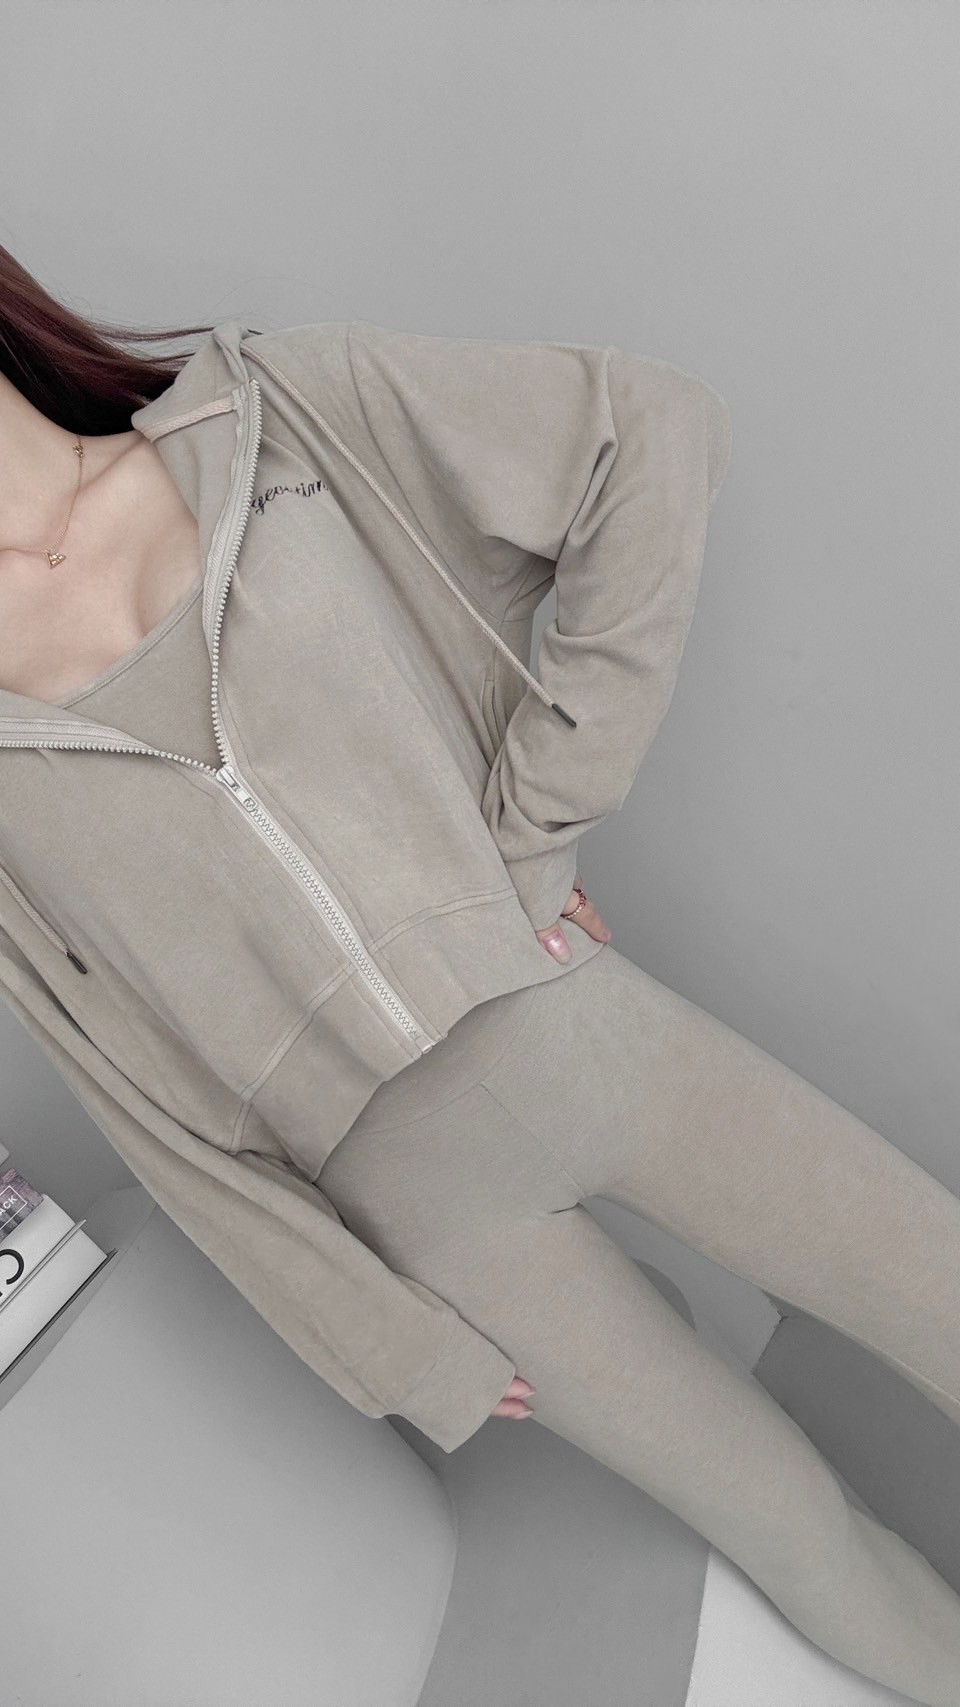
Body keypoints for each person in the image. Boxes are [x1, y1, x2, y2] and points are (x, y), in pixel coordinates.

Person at [1, 245, 959, 1705]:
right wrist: (375, 1338)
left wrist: (530, 836)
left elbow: (649, 428)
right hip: (428, 1214)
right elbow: (125, 1086)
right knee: (788, 1523)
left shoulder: (278, 414)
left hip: (582, 1034)